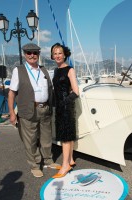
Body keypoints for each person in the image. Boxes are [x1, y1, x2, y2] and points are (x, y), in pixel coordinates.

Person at [8, 43, 60, 178]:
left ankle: (48, 160)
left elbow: (51, 89)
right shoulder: (18, 70)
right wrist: (12, 113)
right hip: (28, 110)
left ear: (38, 54)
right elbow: (12, 93)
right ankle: (35, 165)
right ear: (24, 54)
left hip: (45, 109)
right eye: (29, 53)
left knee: (47, 138)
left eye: (35, 53)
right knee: (30, 140)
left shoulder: (44, 71)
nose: (32, 55)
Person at [51, 43, 79, 178]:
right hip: (60, 107)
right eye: (55, 53)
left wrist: (63, 102)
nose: (57, 55)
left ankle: (65, 166)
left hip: (66, 106)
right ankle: (71, 160)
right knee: (68, 134)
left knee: (65, 137)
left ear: (65, 54)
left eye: (59, 53)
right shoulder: (56, 70)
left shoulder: (70, 70)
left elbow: (76, 92)